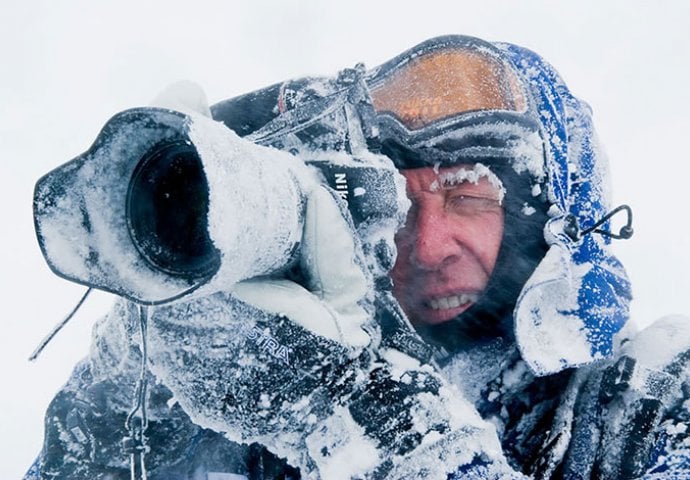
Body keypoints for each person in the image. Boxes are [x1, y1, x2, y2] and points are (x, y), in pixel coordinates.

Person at [27, 35, 690, 479]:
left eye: (467, 198)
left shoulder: (652, 405)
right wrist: (134, 387)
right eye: (401, 203)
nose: (425, 247)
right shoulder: (260, 392)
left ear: (550, 222)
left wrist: (349, 408)